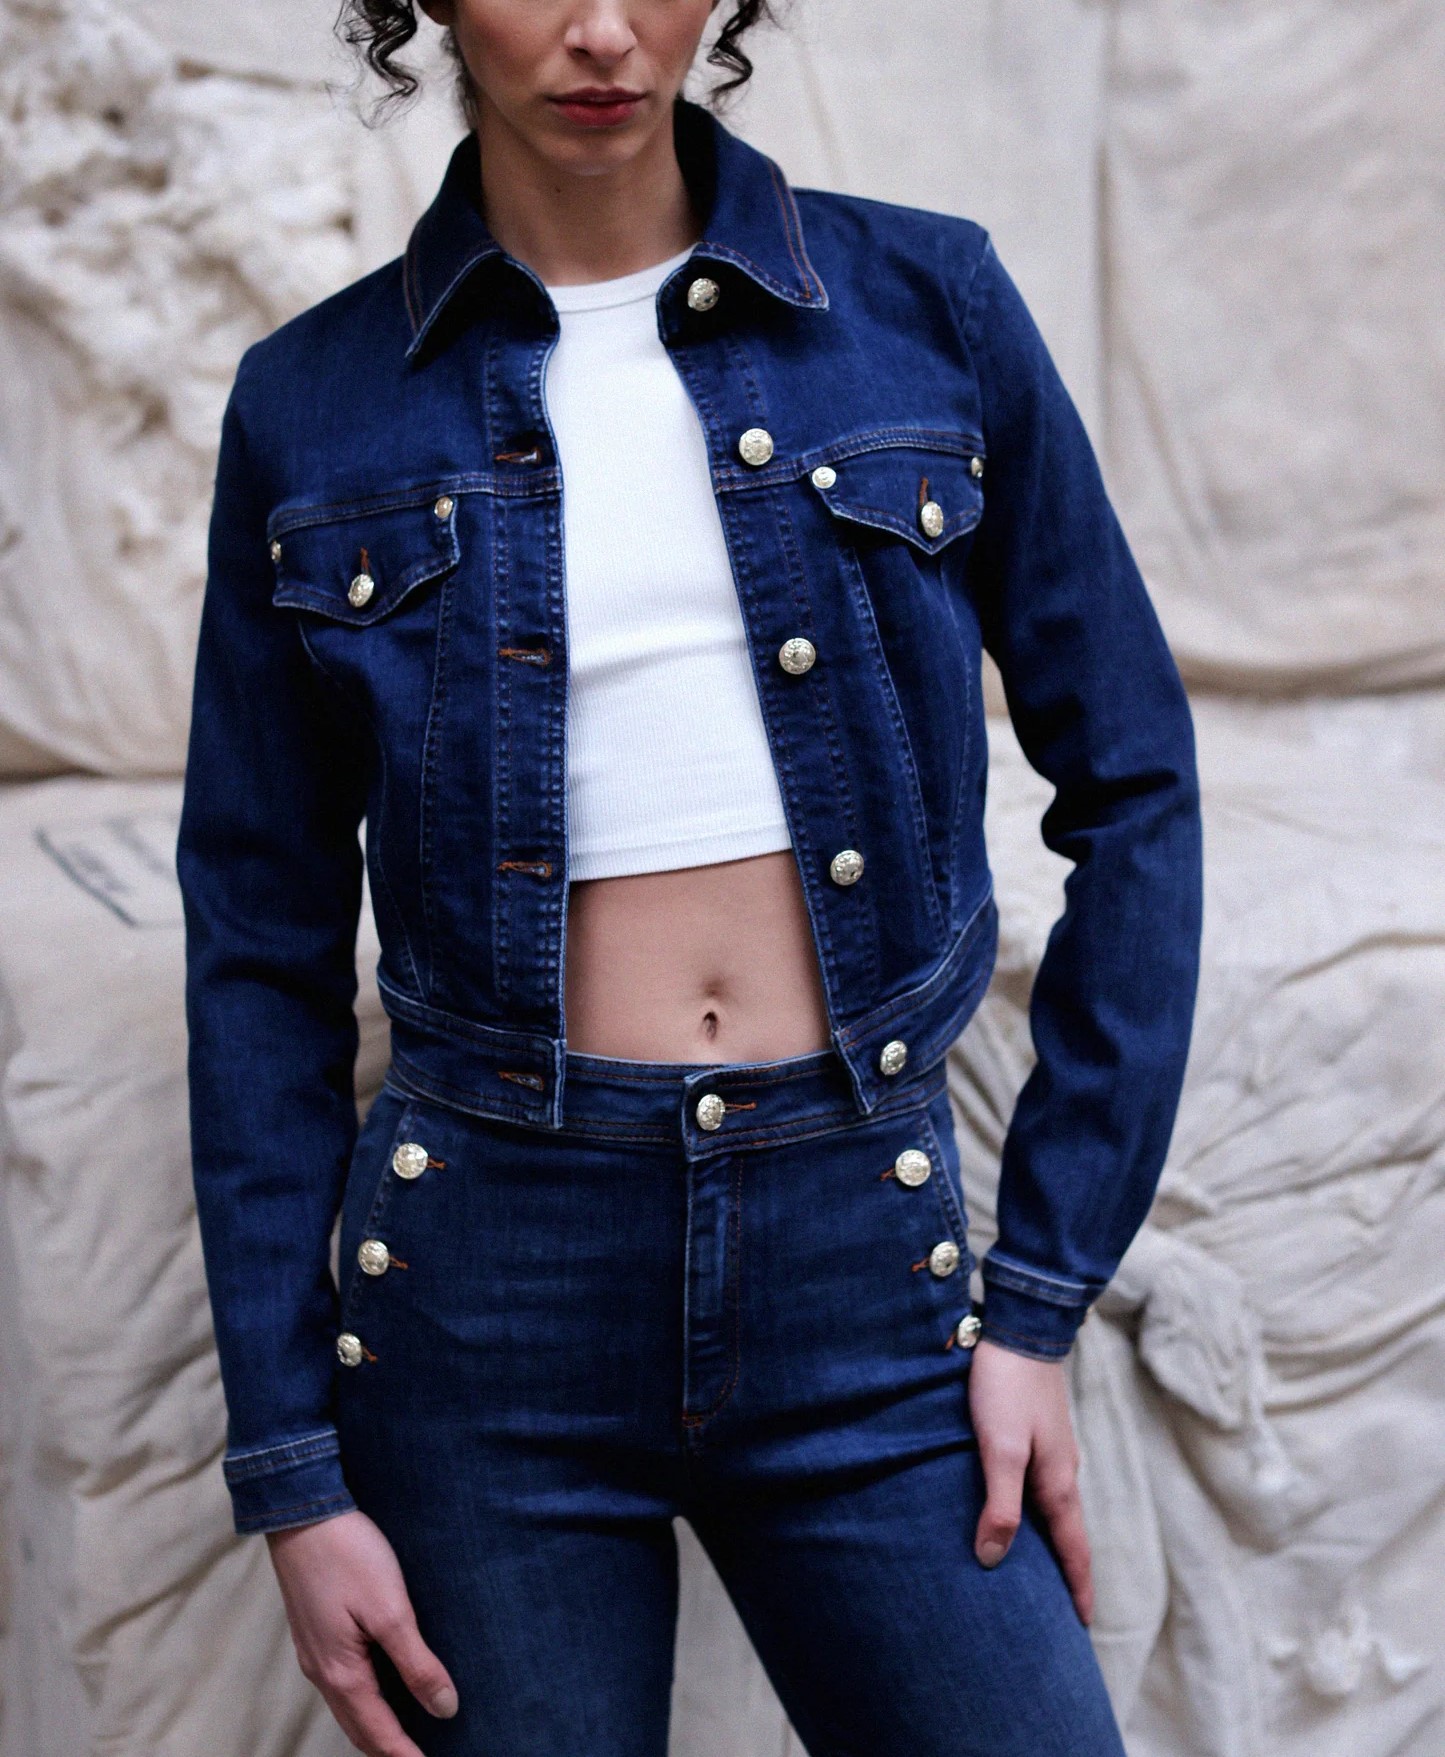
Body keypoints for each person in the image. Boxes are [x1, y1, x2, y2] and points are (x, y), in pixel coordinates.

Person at [176, 2, 1203, 1753]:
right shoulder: (311, 402)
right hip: (484, 1291)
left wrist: (1036, 1299)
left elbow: (1134, 783)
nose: (599, 30)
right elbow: (257, 944)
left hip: (859, 1259)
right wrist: (290, 1467)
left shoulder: (927, 304)